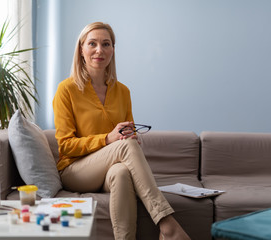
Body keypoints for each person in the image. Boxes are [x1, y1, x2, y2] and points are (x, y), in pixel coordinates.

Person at [53, 22, 190, 240]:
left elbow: (127, 136)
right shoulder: (66, 90)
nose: (100, 50)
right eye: (93, 44)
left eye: (106, 44)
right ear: (81, 50)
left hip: (110, 169)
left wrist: (130, 137)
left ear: (112, 50)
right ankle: (166, 223)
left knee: (122, 173)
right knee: (125, 147)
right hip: (75, 170)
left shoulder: (123, 91)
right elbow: (65, 145)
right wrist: (109, 139)